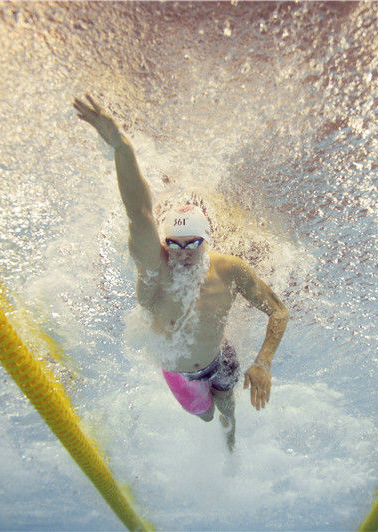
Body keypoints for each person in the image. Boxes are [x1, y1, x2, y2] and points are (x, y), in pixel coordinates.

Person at [73, 95, 289, 451]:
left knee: (227, 406)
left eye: (194, 244)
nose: (184, 254)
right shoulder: (154, 269)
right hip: (183, 374)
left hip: (221, 356)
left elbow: (278, 310)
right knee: (204, 414)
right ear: (164, 240)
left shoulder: (230, 270)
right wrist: (121, 146)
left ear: (207, 239)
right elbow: (139, 212)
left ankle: (230, 443)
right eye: (175, 243)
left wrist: (263, 362)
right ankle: (217, 426)